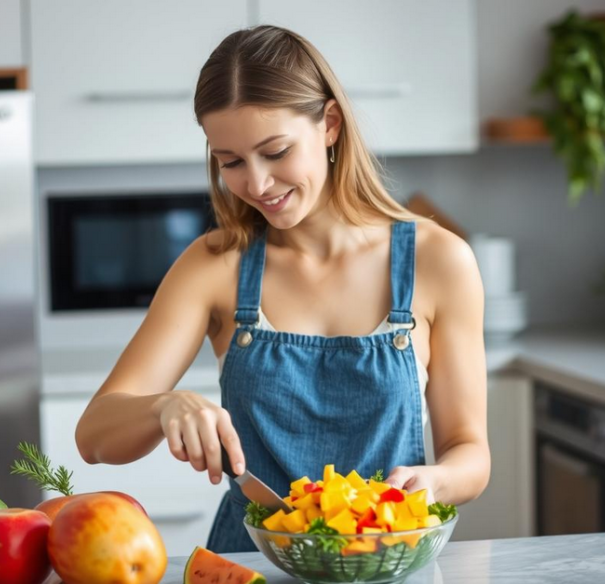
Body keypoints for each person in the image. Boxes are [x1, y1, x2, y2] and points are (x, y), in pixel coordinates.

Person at [75, 25, 489, 553]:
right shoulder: (213, 265)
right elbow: (93, 435)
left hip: (381, 558)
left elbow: (469, 453)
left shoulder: (438, 260)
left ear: (330, 125)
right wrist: (164, 407)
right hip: (250, 561)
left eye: (276, 152)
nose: (258, 184)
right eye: (231, 162)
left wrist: (435, 483)